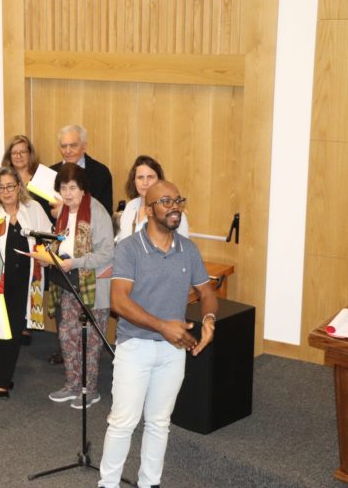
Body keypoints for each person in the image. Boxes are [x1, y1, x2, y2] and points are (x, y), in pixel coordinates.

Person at [98, 181, 218, 488]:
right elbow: (119, 301)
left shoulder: (188, 249)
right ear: (149, 210)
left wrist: (209, 319)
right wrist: (163, 326)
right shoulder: (129, 249)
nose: (174, 207)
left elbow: (206, 292)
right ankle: (107, 484)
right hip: (135, 347)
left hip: (172, 350)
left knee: (159, 423)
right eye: (165, 202)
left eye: (178, 200)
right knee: (123, 423)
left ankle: (150, 482)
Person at [0, 167, 51, 399]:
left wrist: (45, 255)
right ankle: (1, 375)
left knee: (15, 330)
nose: (7, 191)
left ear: (19, 187)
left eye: (10, 186)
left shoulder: (33, 209)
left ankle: (1, 378)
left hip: (25, 281)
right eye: (2, 187)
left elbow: (47, 237)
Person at [44, 164, 113, 409]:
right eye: (63, 188)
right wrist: (48, 255)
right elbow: (62, 244)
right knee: (67, 335)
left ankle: (89, 390)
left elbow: (107, 253)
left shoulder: (97, 212)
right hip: (69, 284)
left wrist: (76, 262)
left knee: (90, 341)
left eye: (72, 188)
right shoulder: (64, 213)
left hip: (93, 287)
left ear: (83, 189)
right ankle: (72, 384)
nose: (68, 193)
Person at [1, 134, 45, 345]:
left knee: (27, 282)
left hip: (35, 234)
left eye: (23, 152)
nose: (18, 156)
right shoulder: (2, 178)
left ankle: (25, 324)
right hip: (10, 234)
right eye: (14, 152)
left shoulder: (41, 178)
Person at [116, 155, 190, 242]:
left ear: (159, 180)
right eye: (140, 177)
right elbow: (121, 242)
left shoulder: (174, 213)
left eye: (150, 177)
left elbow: (183, 247)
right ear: (134, 181)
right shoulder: (130, 207)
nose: (145, 183)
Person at [50, 124, 113, 216]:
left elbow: (105, 213)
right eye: (64, 146)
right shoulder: (50, 172)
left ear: (84, 146)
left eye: (73, 145)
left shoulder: (101, 173)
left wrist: (66, 211)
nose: (68, 151)